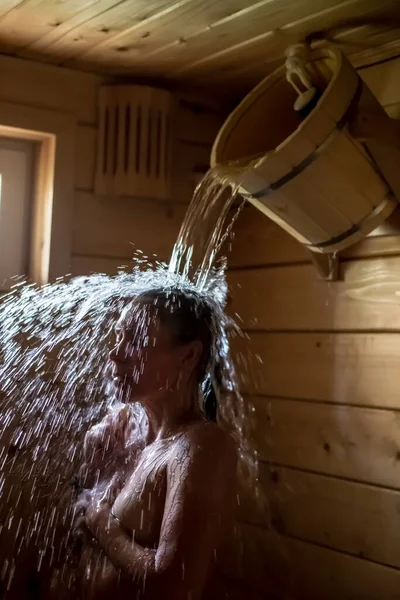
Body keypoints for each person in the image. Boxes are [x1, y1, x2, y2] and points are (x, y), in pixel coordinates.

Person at [72, 287, 237, 600]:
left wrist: (100, 522)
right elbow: (86, 543)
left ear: (188, 356)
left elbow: (176, 584)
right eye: (119, 336)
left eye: (135, 340)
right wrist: (96, 468)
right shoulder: (129, 436)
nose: (115, 352)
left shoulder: (200, 446)